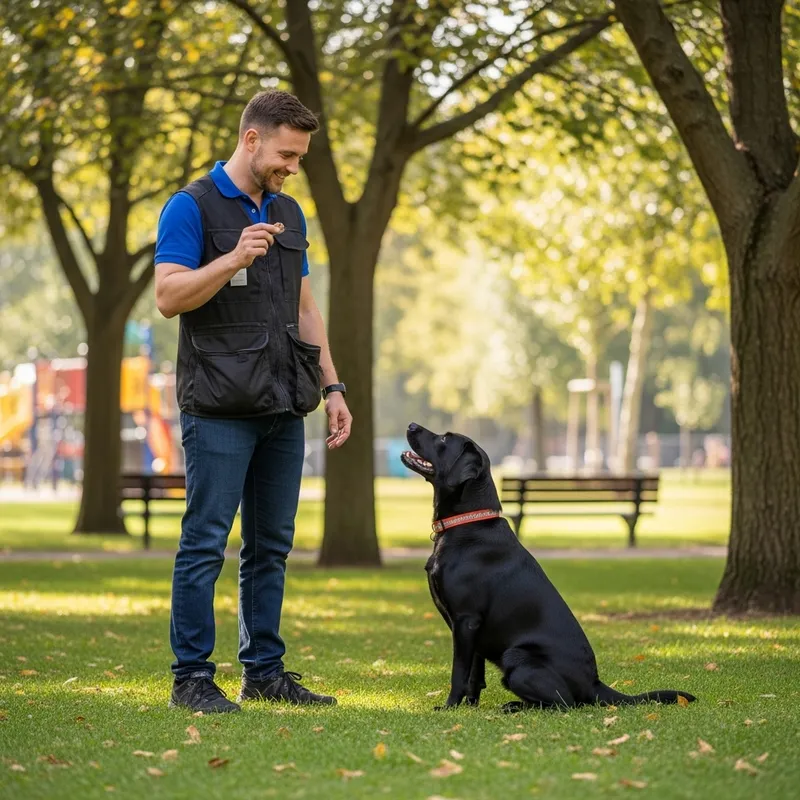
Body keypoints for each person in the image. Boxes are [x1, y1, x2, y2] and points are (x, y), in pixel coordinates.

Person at [154, 90, 352, 713]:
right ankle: (191, 679)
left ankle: (264, 672)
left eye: (298, 157)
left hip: (281, 405)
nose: (292, 167)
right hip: (215, 407)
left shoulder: (290, 215)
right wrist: (233, 256)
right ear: (251, 140)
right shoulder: (191, 207)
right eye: (286, 154)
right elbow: (168, 295)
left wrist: (333, 385)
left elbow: (304, 307)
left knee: (272, 546)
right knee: (205, 543)